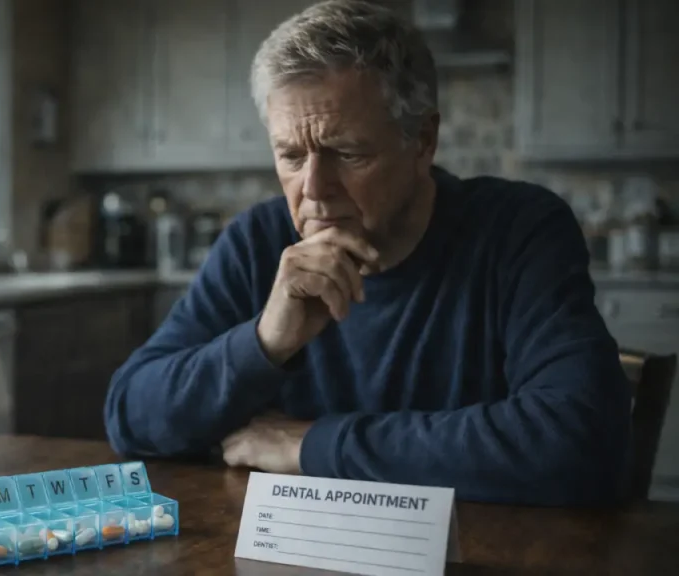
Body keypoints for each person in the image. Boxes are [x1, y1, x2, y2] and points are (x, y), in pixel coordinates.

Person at [103, 0, 630, 507]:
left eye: (348, 153)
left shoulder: (519, 229)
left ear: (423, 141)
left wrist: (311, 446)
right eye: (290, 155)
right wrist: (264, 342)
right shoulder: (256, 242)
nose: (313, 188)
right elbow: (130, 415)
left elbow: (580, 440)